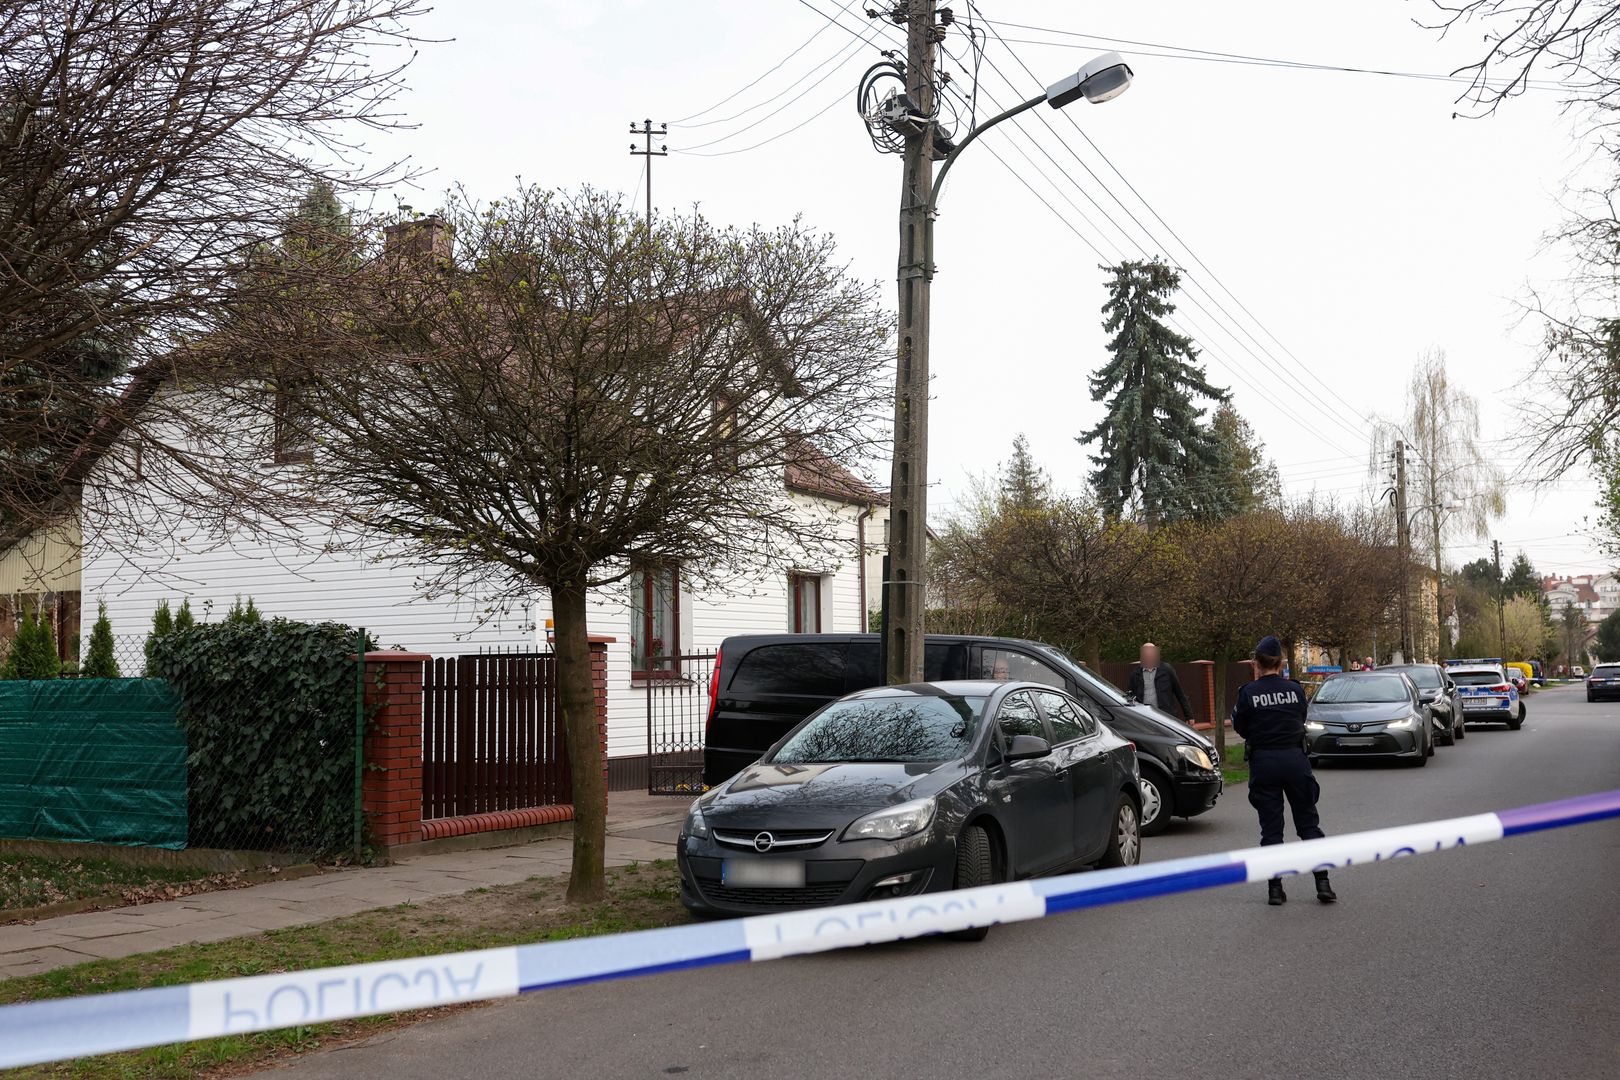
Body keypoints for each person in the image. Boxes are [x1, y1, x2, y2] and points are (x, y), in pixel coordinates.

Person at [1231, 635, 1336, 906]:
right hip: (1294, 759)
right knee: (1308, 823)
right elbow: (1300, 718)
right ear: (1280, 663)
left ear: (1257, 663)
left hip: (1264, 762)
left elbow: (1241, 727)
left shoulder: (1248, 692)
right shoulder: (1296, 690)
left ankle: (1275, 889)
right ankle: (1323, 884)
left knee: (1271, 829)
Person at [1128, 642, 1195, 723]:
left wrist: (1189, 716)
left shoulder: (1167, 670)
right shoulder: (1135, 673)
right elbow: (1130, 696)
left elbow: (1180, 693)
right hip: (1144, 717)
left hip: (1166, 715)